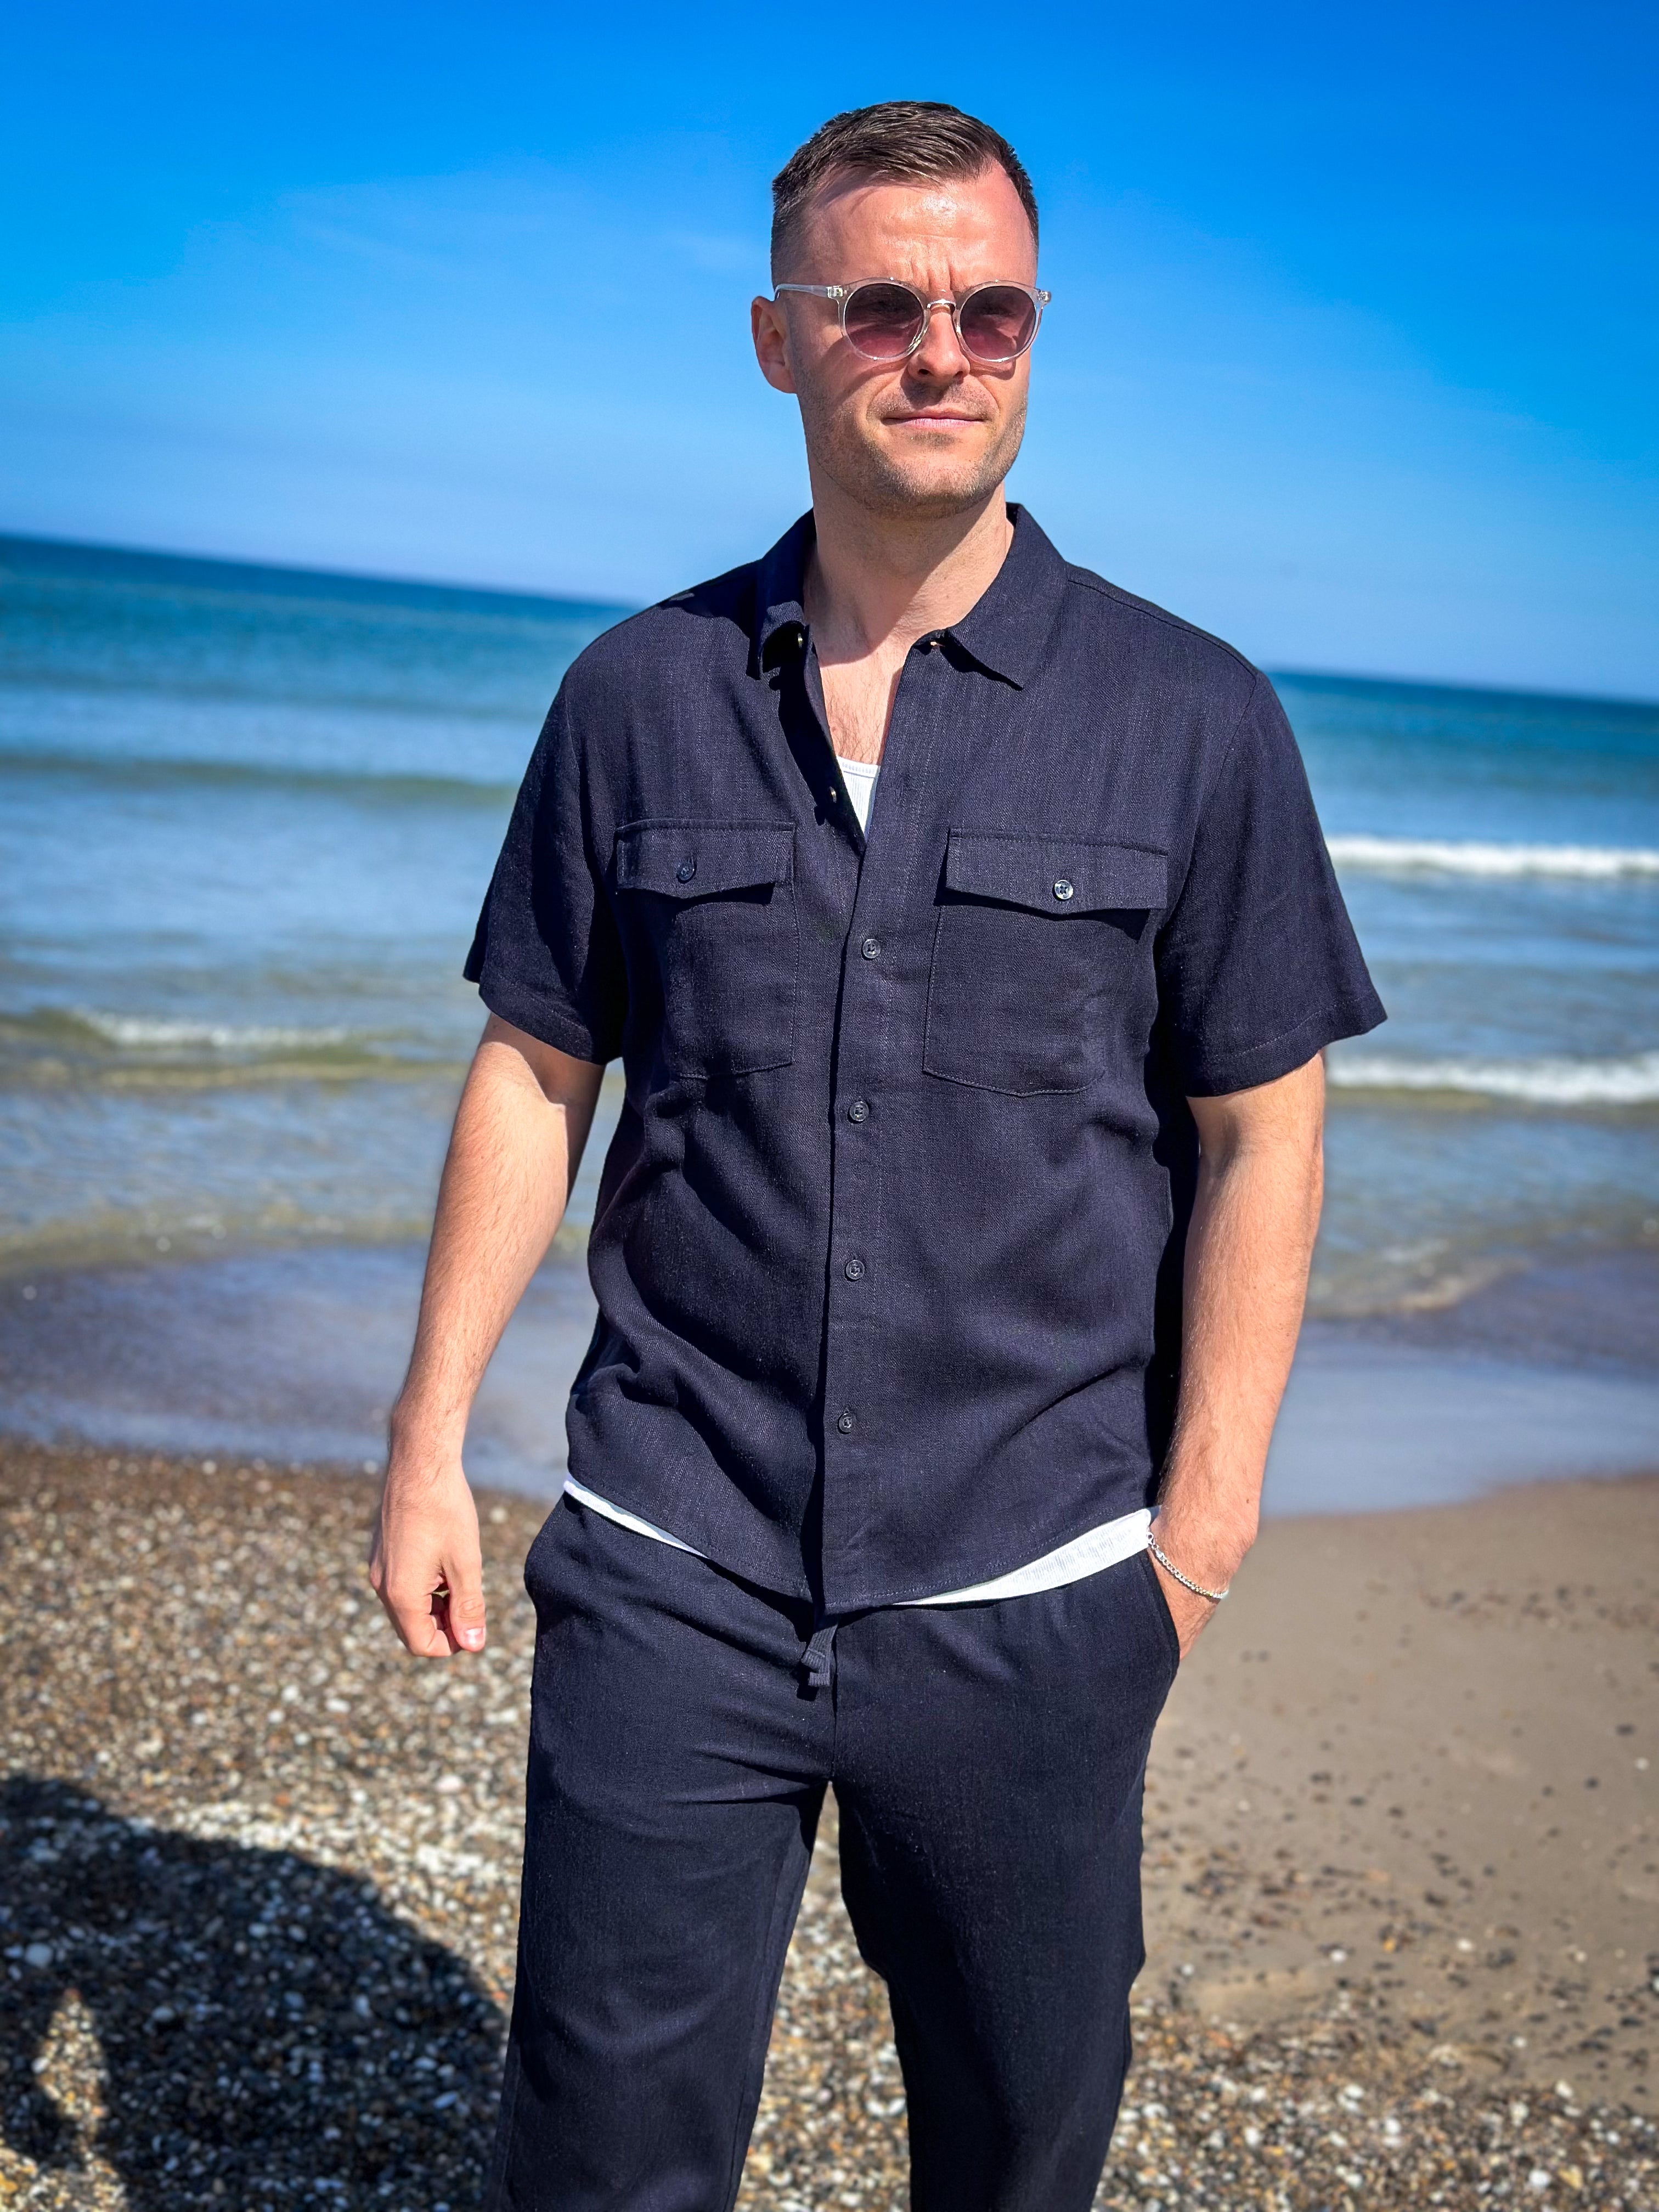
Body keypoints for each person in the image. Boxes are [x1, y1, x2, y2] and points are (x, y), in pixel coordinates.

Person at [369, 99, 1384, 2212]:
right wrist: (427, 1437)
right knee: (596, 2160)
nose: (941, 351)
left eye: (990, 310)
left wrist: (1193, 1545)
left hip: (1035, 1581)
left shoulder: (1196, 719)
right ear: (780, 338)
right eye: (883, 306)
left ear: (1035, 337)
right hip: (671, 1553)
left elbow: (1262, 1131)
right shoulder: (634, 695)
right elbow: (538, 1068)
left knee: (1017, 2158)